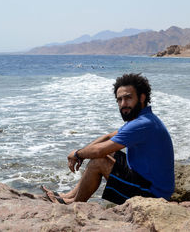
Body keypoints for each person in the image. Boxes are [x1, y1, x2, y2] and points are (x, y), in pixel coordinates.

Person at [41, 73, 174, 205]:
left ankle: (72, 204)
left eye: (128, 98)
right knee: (106, 151)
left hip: (152, 194)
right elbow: (108, 137)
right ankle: (69, 195)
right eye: (119, 100)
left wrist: (77, 153)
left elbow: (99, 152)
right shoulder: (144, 119)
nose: (123, 104)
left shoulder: (142, 124)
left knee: (99, 160)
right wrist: (81, 154)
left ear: (142, 98)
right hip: (148, 182)